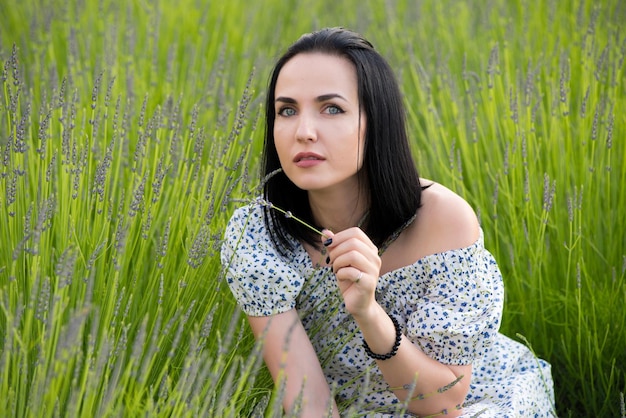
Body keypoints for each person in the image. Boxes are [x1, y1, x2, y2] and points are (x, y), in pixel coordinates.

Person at [221, 27, 555, 417]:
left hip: (472, 401)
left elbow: (445, 403)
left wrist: (368, 312)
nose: (304, 132)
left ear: (376, 121)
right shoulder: (259, 234)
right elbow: (308, 402)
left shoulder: (442, 220)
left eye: (332, 108)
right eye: (287, 110)